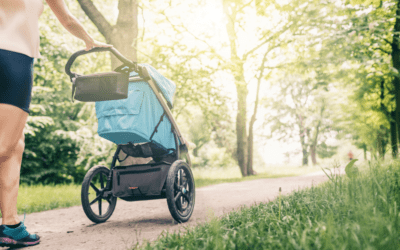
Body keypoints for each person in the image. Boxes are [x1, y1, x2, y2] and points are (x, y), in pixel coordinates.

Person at [0, 0, 112, 247]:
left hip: (10, 57)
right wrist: (89, 40)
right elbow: (67, 19)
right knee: (5, 146)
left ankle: (11, 225)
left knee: (15, 144)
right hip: (14, 58)